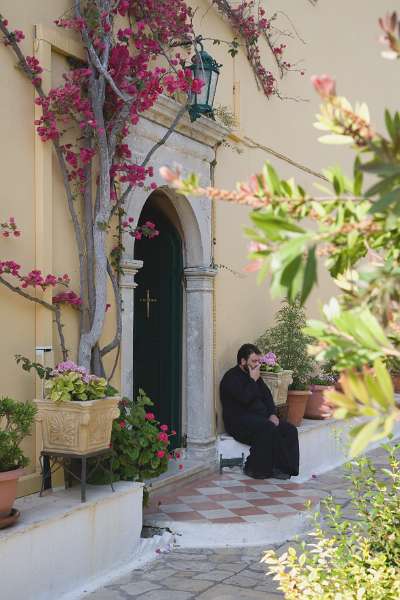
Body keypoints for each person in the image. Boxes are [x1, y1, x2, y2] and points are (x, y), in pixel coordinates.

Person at [220, 343, 299, 480]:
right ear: (243, 361)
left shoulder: (255, 376)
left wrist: (272, 414)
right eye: (254, 361)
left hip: (259, 419)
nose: (257, 365)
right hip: (238, 422)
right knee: (267, 428)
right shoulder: (231, 378)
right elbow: (245, 399)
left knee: (290, 429)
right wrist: (252, 380)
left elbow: (267, 397)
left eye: (258, 361)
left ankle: (285, 469)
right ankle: (254, 468)